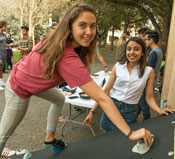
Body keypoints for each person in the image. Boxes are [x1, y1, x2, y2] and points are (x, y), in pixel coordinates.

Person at [0, 3, 153, 155]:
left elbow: (35, 53)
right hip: (19, 88)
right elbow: (103, 98)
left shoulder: (57, 38)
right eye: (82, 25)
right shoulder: (67, 58)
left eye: (93, 26)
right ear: (70, 26)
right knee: (3, 136)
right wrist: (131, 133)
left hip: (23, 76)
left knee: (59, 98)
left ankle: (49, 138)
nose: (89, 32)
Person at [83, 37, 174, 132]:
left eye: (136, 49)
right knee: (106, 135)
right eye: (129, 49)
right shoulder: (117, 66)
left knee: (124, 139)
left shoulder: (148, 71)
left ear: (143, 52)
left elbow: (149, 97)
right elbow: (105, 91)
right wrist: (92, 112)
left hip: (130, 111)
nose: (131, 52)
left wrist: (160, 111)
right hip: (111, 107)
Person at [0, 21, 12, 91]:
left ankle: (1, 81)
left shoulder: (4, 35)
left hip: (4, 53)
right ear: (1, 26)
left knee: (1, 68)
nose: (6, 27)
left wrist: (9, 45)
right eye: (5, 26)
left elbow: (4, 44)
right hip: (0, 54)